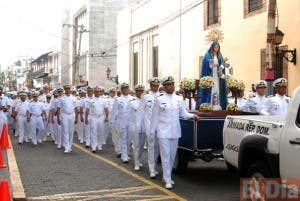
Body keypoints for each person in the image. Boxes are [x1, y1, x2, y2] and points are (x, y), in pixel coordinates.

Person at [150, 76, 200, 189]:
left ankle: (166, 175)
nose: (171, 86)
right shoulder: (159, 99)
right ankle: (167, 178)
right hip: (163, 132)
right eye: (168, 85)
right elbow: (154, 117)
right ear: (164, 86)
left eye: (172, 84)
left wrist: (193, 116)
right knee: (165, 155)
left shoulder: (179, 99)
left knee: (172, 155)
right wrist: (152, 132)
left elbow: (183, 114)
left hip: (175, 131)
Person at [199, 41, 227, 110]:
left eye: (218, 47)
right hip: (211, 74)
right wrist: (210, 64)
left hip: (217, 76)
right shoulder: (207, 55)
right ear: (212, 47)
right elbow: (206, 66)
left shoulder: (220, 55)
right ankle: (209, 104)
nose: (216, 48)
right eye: (215, 47)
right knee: (212, 89)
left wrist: (223, 64)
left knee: (217, 89)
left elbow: (222, 66)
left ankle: (218, 104)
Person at [143, 77, 161, 178]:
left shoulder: (161, 96)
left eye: (157, 85)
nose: (155, 87)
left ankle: (154, 166)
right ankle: (151, 169)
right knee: (151, 147)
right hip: (149, 125)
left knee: (157, 148)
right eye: (153, 85)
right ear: (150, 86)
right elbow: (141, 112)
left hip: (160, 126)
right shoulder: (145, 97)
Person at [111, 82, 133, 163]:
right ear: (121, 90)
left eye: (127, 88)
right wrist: (112, 122)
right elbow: (113, 112)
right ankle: (124, 155)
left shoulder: (132, 98)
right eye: (123, 88)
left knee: (129, 139)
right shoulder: (118, 99)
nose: (125, 90)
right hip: (122, 121)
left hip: (130, 122)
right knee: (123, 138)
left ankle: (126, 153)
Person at [128, 84, 146, 171]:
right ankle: (136, 163)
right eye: (139, 91)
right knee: (136, 145)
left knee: (142, 145)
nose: (141, 93)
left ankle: (138, 159)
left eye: (142, 91)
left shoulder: (146, 101)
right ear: (136, 92)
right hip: (135, 126)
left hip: (143, 126)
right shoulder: (132, 101)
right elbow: (136, 109)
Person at [85, 86, 108, 153]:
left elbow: (106, 109)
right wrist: (86, 119)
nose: (97, 93)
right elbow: (87, 110)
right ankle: (94, 146)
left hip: (101, 117)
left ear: (100, 92)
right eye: (96, 92)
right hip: (93, 117)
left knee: (101, 132)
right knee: (93, 132)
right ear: (94, 92)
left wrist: (106, 117)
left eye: (98, 91)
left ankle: (99, 145)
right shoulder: (91, 101)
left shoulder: (103, 100)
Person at [57, 84, 78, 153]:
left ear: (70, 90)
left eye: (69, 89)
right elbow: (58, 109)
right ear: (65, 90)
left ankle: (70, 146)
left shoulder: (74, 98)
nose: (67, 90)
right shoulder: (61, 98)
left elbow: (76, 109)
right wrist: (58, 118)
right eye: (66, 89)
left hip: (72, 115)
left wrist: (77, 118)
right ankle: (66, 147)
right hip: (64, 115)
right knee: (65, 131)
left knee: (71, 131)